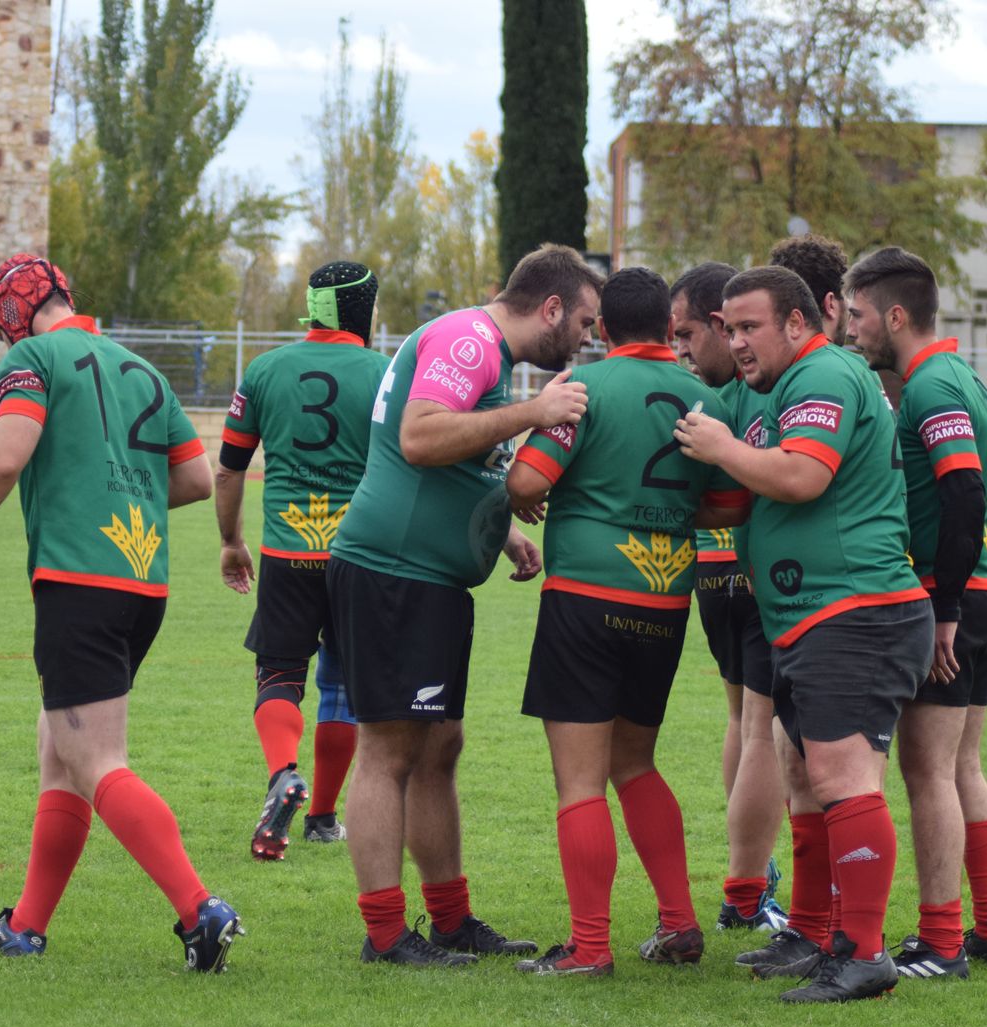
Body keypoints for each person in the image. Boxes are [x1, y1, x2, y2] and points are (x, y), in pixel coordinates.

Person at [0, 254, 243, 973]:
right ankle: (26, 926)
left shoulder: (31, 358)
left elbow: (5, 460)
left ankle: (200, 911)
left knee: (95, 761)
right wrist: (121, 489)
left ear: (11, 318)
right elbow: (193, 477)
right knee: (59, 749)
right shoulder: (142, 369)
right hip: (143, 583)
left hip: (79, 579)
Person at [327, 243, 601, 966]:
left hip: (427, 578)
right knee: (388, 751)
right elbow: (420, 437)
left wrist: (500, 530)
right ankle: (386, 935)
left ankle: (450, 920)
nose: (585, 339)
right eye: (583, 322)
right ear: (550, 308)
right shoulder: (469, 339)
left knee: (440, 747)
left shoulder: (484, 350)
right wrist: (533, 412)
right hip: (393, 573)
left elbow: (446, 459)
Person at [674, 266, 932, 1003]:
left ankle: (865, 953)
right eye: (728, 328)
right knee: (804, 773)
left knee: (843, 778)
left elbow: (801, 477)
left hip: (856, 611)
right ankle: (816, 932)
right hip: (810, 615)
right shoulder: (778, 386)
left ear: (797, 322)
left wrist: (720, 446)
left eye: (749, 327)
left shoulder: (823, 374)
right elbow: (752, 493)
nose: (736, 342)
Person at [506, 267, 749, 977]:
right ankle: (678, 922)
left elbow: (526, 482)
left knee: (580, 782)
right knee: (635, 763)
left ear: (604, 328)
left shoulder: (582, 390)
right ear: (669, 328)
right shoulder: (707, 398)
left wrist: (552, 491)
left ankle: (589, 947)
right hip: (664, 602)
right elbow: (734, 503)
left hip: (585, 597)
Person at [845, 246, 987, 978]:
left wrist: (942, 606)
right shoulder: (958, 376)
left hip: (956, 595)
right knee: (960, 764)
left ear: (895, 316)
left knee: (927, 771)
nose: (850, 328)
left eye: (858, 314)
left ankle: (943, 943)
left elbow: (964, 493)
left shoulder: (933, 386)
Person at [216, 262, 388, 860]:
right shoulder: (386, 374)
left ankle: (283, 774)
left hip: (287, 553)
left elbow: (228, 471)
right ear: (362, 310)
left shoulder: (264, 370)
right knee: (341, 685)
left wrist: (231, 541)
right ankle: (321, 818)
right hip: (360, 554)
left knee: (278, 674)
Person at [669, 262, 789, 935]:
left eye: (688, 335)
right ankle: (749, 890)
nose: (685, 350)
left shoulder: (708, 397)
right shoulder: (762, 385)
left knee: (742, 721)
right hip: (759, 572)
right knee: (765, 731)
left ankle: (751, 882)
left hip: (711, 574)